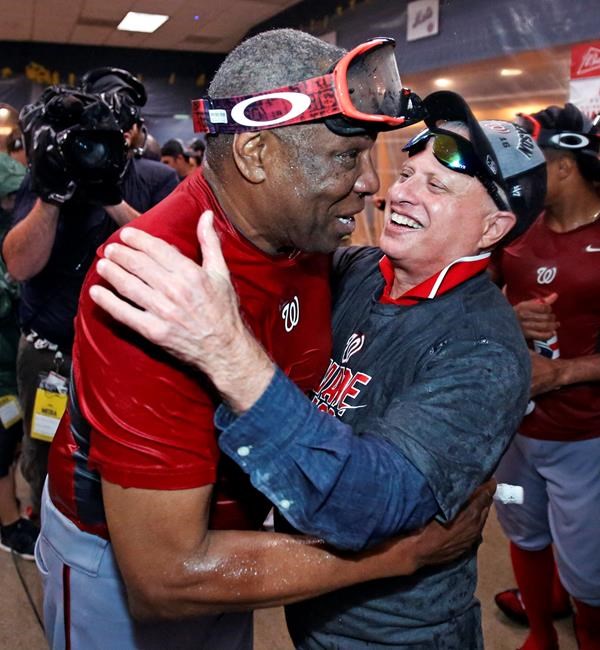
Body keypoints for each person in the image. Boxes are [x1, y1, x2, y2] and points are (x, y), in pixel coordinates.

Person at [37, 31, 493, 650]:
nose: (370, 183)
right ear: (256, 154)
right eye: (344, 158)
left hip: (244, 555)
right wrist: (399, 555)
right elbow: (166, 579)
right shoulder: (156, 285)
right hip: (134, 573)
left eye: (370, 156)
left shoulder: (299, 238)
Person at [0, 68, 178, 517]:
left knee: (124, 457)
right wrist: (52, 199)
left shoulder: (155, 179)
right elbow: (20, 264)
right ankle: (45, 535)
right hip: (50, 355)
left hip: (130, 353)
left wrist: (110, 196)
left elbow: (171, 258)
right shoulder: (49, 174)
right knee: (44, 456)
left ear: (136, 132)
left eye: (121, 126)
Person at [492, 103, 600, 650]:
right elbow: (472, 302)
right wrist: (505, 316)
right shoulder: (514, 227)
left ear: (563, 167)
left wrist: (562, 374)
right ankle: (540, 632)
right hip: (517, 430)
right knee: (523, 532)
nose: (520, 175)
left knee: (589, 572)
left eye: (532, 161)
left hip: (586, 438)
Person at [0, 153, 38, 559]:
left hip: (12, 355)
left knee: (11, 440)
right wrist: (15, 280)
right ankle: (8, 525)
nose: (15, 204)